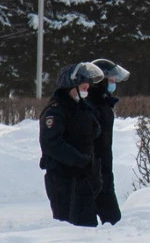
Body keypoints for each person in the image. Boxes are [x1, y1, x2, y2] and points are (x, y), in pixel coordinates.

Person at [39, 62, 105, 227]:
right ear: (70, 85)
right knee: (68, 225)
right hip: (63, 178)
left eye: (87, 88)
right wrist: (79, 159)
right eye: (83, 87)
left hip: (83, 176)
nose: (86, 90)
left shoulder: (81, 108)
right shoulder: (55, 110)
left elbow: (93, 132)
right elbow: (52, 143)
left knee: (88, 224)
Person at [88, 58, 131, 225]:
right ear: (100, 81)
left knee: (113, 219)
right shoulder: (92, 106)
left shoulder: (104, 104)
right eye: (111, 79)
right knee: (91, 221)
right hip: (95, 168)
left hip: (104, 168)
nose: (114, 83)